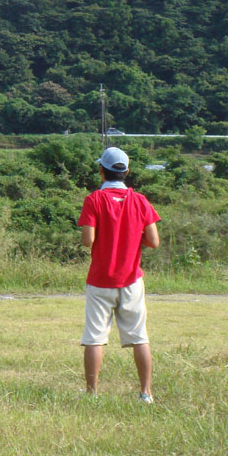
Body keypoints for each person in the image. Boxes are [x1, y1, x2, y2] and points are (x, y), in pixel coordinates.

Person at [78, 146, 160, 403]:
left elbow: (87, 240)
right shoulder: (140, 200)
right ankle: (146, 393)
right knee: (139, 337)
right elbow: (154, 241)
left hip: (101, 279)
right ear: (127, 171)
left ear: (101, 170)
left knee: (94, 337)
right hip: (132, 279)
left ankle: (92, 393)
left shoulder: (94, 200)